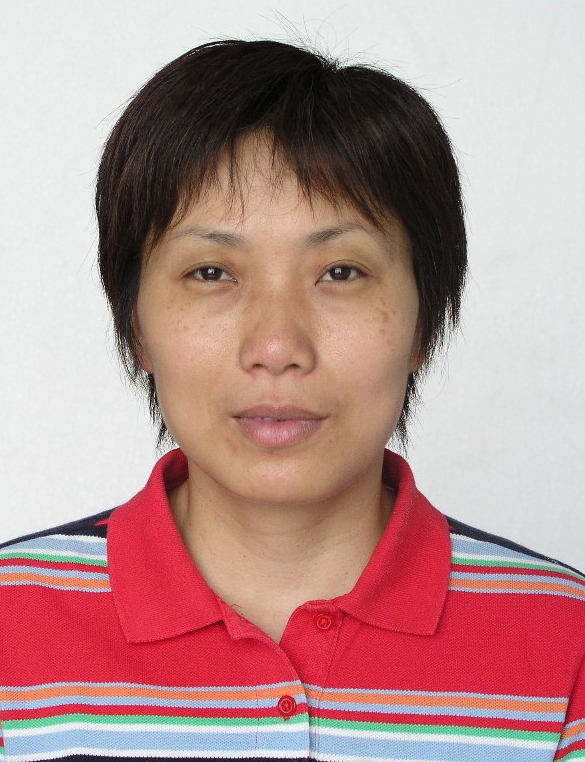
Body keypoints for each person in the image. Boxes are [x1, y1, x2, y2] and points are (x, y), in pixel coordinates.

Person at [1, 39, 584, 762]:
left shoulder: (567, 647)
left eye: (340, 272)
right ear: (136, 325)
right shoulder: (10, 629)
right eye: (211, 272)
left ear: (423, 325)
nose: (276, 346)